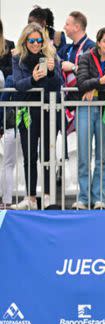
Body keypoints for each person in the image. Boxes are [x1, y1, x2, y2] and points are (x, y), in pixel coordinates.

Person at [10, 23, 62, 211]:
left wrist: (50, 71)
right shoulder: (18, 58)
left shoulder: (51, 55)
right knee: (29, 155)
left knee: (48, 155)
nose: (35, 44)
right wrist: (33, 79)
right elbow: (18, 84)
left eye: (39, 40)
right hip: (28, 112)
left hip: (48, 111)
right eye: (31, 40)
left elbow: (58, 84)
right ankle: (31, 197)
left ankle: (47, 196)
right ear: (25, 40)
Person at [74, 27, 105, 211]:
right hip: (86, 108)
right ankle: (83, 198)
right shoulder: (85, 57)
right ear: (99, 42)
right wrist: (101, 82)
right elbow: (81, 83)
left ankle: (99, 198)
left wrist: (94, 87)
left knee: (102, 156)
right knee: (84, 156)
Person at [58, 12, 96, 102]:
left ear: (77, 27)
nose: (64, 27)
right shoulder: (67, 49)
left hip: (86, 100)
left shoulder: (92, 47)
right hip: (69, 100)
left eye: (67, 24)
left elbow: (94, 73)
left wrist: (73, 67)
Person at [0, 19, 16, 209]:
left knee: (8, 161)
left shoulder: (9, 46)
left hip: (7, 110)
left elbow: (12, 75)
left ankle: (6, 200)